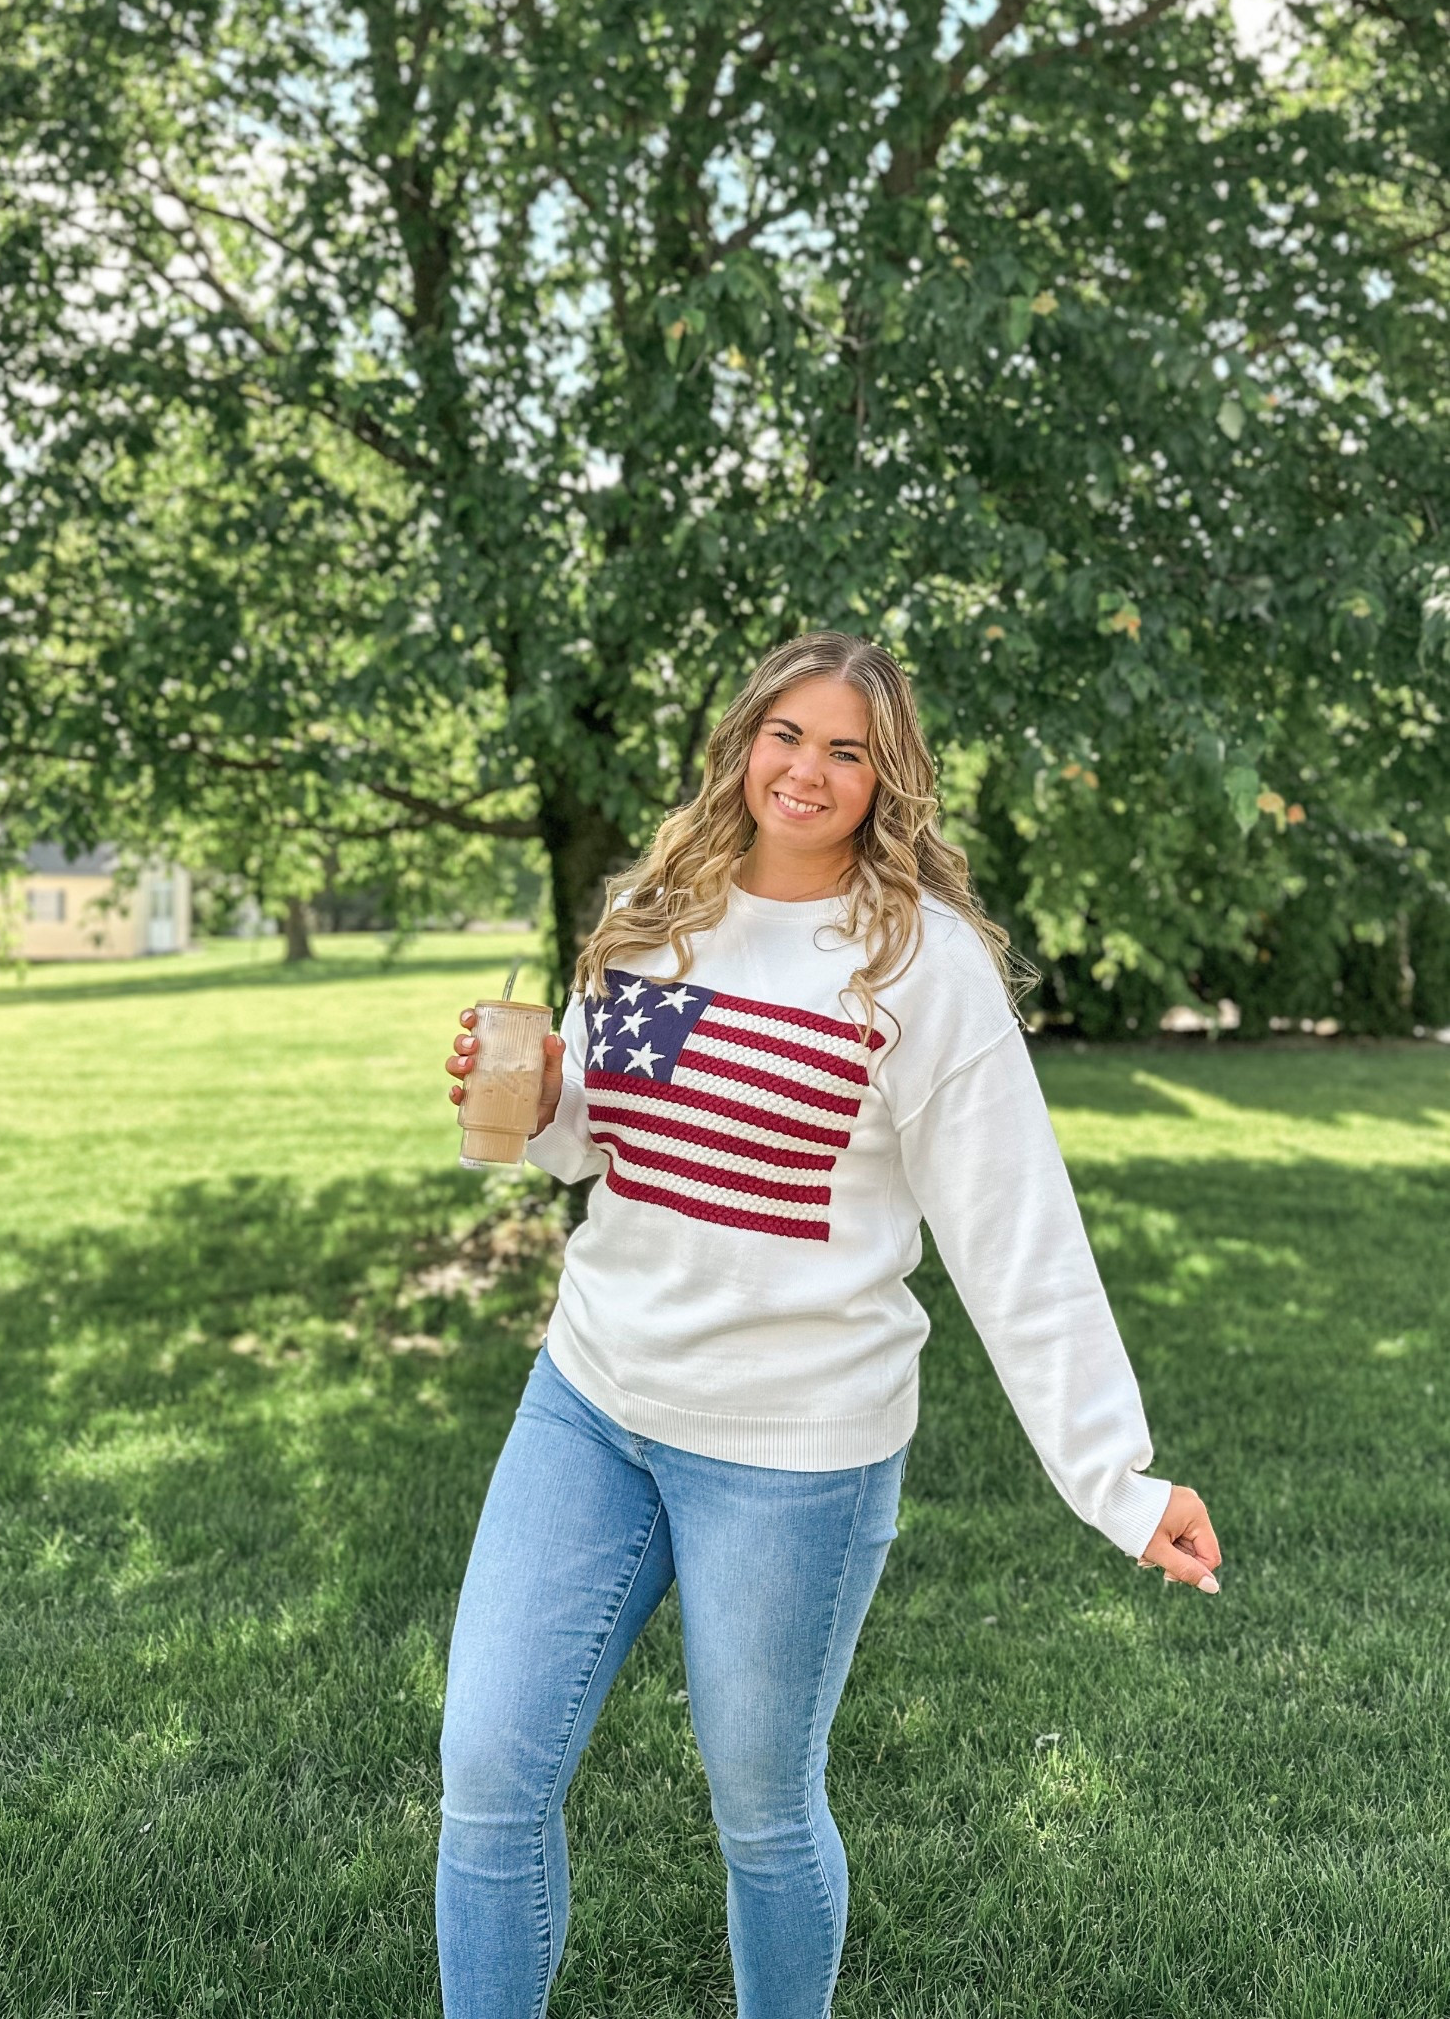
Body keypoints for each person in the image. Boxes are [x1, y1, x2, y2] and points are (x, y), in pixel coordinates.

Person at [436, 631, 1222, 2019]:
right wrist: (544, 1092)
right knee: (490, 1775)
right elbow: (586, 1149)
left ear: (886, 779)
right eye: (784, 734)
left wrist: (1115, 1478)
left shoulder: (923, 969)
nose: (806, 769)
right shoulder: (648, 909)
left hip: (794, 1455)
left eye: (846, 749)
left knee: (762, 1813)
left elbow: (1018, 1240)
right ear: (743, 742)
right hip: (591, 1402)